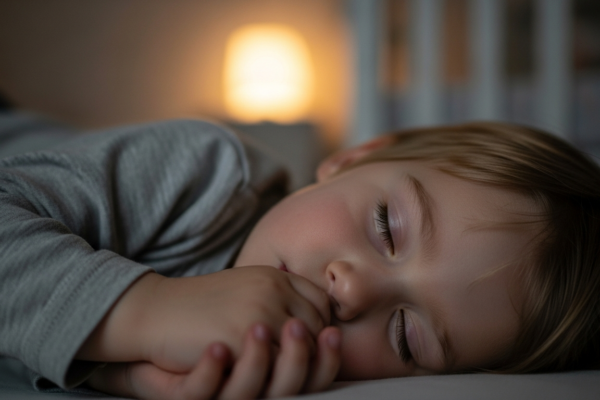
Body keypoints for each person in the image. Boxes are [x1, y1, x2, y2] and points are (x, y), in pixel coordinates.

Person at [0, 112, 598, 399]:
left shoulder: (271, 367)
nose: (354, 291)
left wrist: (123, 372)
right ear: (352, 158)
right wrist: (142, 310)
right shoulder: (204, 172)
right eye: (387, 226)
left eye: (406, 337)